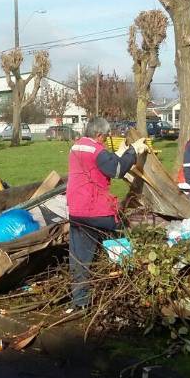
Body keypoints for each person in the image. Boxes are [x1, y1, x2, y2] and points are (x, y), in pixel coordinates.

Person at [67, 117, 149, 308]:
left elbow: (101, 163)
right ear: (99, 134)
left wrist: (116, 154)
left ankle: (80, 301)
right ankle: (128, 280)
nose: (106, 139)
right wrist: (132, 151)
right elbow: (118, 170)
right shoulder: (97, 150)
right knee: (121, 233)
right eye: (105, 136)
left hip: (77, 211)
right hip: (96, 211)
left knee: (79, 258)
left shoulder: (77, 146)